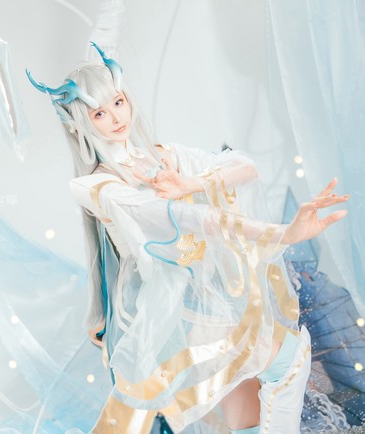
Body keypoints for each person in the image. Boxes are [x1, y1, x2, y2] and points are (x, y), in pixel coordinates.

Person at [26, 42, 349, 433]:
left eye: (118, 102)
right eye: (99, 112)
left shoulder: (163, 156)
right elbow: (183, 217)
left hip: (209, 292)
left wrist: (193, 182)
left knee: (249, 399)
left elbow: (244, 166)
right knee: (284, 361)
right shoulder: (93, 185)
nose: (115, 117)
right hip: (169, 310)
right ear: (80, 123)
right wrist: (282, 233)